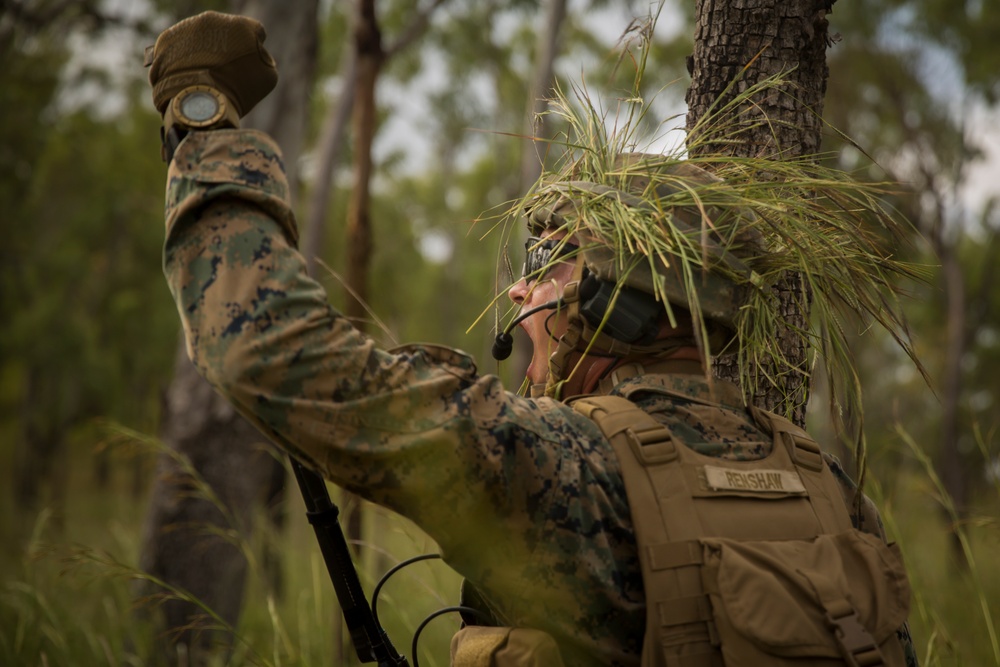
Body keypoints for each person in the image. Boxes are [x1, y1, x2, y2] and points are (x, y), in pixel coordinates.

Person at [145, 11, 918, 667]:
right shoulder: (829, 489)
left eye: (548, 263)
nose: (515, 289)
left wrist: (202, 119)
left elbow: (263, 346)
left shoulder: (560, 465)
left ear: (617, 302)